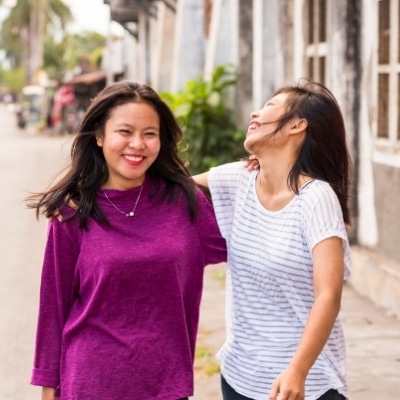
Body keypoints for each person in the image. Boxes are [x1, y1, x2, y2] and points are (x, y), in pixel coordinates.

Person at [26, 81, 227, 400]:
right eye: (125, 132)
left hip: (166, 385)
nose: (138, 144)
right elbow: (53, 309)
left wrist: (265, 172)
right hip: (91, 384)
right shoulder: (72, 213)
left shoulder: (183, 203)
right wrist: (48, 391)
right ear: (100, 136)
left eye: (150, 133)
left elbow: (251, 246)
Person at [194, 79, 352, 400]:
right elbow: (163, 190)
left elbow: (328, 295)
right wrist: (80, 195)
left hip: (303, 383)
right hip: (240, 377)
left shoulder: (316, 199)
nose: (255, 112)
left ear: (297, 125)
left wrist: (297, 370)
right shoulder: (237, 179)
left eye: (269, 107)